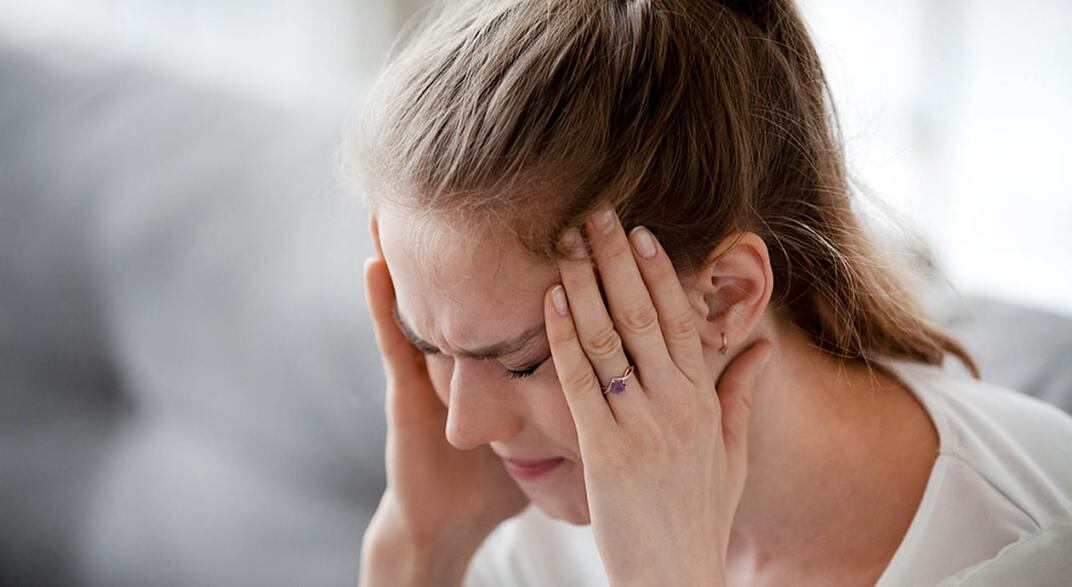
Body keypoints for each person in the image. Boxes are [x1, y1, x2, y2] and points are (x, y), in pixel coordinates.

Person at [347, 0, 1072, 585]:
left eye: (525, 359)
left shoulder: (1032, 546)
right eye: (428, 345)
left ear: (724, 297)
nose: (464, 428)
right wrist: (418, 548)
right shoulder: (523, 526)